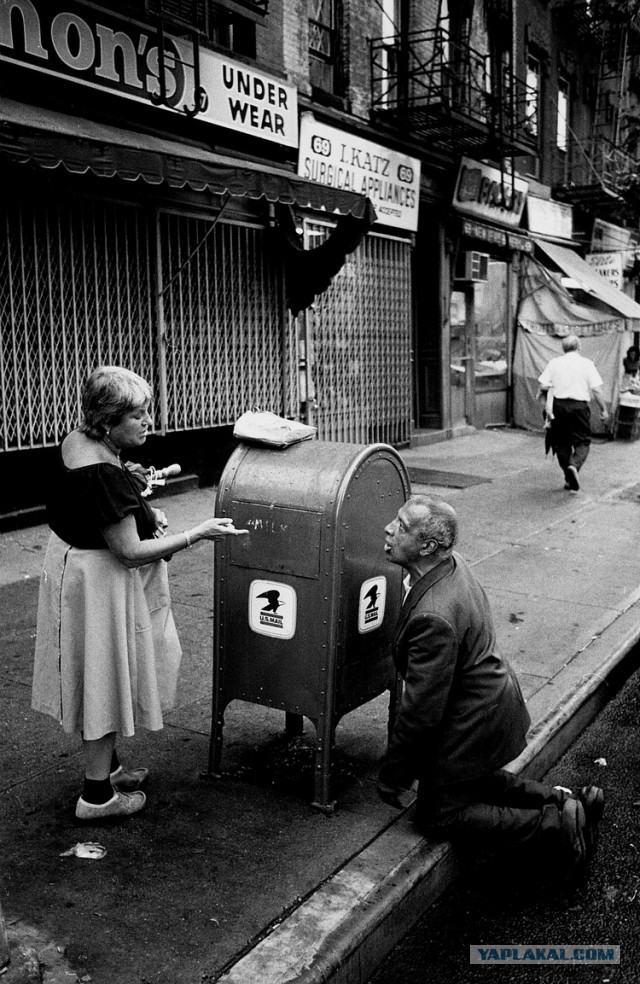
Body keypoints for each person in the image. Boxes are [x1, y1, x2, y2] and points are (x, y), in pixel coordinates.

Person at [32, 366, 248, 821]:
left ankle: (106, 771)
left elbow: (102, 504)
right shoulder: (102, 474)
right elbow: (129, 551)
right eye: (138, 414)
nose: (148, 420)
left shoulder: (78, 441)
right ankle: (97, 798)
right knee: (105, 677)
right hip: (99, 580)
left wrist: (141, 504)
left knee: (94, 672)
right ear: (109, 421)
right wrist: (198, 533)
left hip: (73, 566)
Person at [378, 494, 604, 876]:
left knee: (437, 815)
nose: (388, 528)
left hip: (475, 720)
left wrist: (394, 774)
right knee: (474, 781)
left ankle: (558, 826)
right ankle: (568, 799)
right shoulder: (451, 564)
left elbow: (420, 711)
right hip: (490, 703)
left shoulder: (434, 616)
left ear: (427, 546)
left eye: (401, 525)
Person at [537, 335, 609, 492]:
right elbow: (596, 390)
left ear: (563, 348)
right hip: (579, 407)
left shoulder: (554, 363)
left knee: (562, 442)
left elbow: (543, 384)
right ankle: (574, 465)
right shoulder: (587, 364)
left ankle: (569, 477)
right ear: (579, 347)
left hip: (558, 406)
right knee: (582, 442)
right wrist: (603, 409)